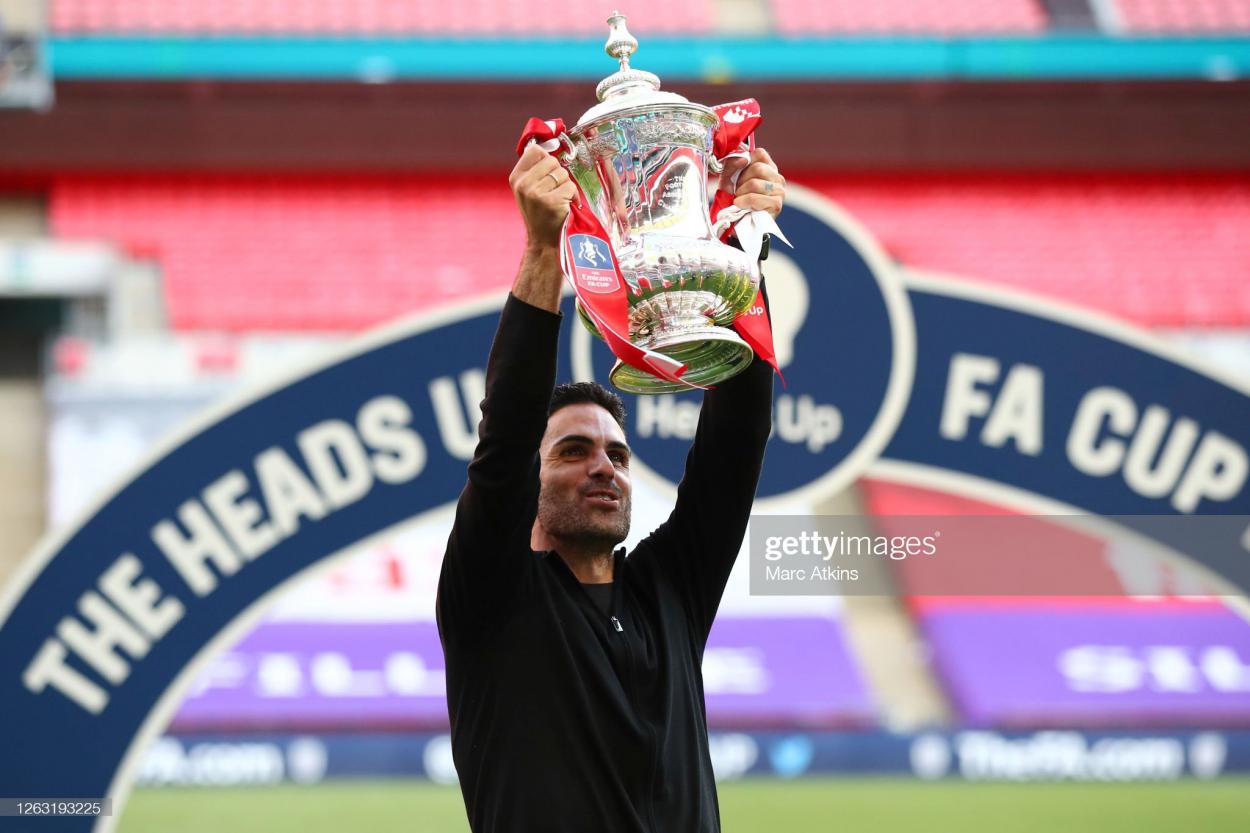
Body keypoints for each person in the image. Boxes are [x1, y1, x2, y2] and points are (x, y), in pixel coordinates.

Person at [437, 143, 786, 833]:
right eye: (574, 450)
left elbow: (736, 440)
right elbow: (505, 438)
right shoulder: (493, 595)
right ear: (531, 479)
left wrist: (743, 246)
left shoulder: (670, 591)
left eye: (618, 454)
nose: (605, 466)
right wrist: (543, 251)